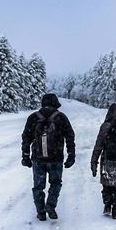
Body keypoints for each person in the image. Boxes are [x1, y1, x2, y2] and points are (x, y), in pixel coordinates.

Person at [21, 93, 75, 221]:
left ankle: (40, 212)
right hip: (56, 158)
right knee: (56, 183)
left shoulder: (33, 117)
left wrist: (25, 155)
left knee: (38, 186)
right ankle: (50, 205)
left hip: (38, 159)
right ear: (56, 103)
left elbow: (26, 138)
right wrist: (71, 155)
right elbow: (70, 137)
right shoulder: (61, 117)